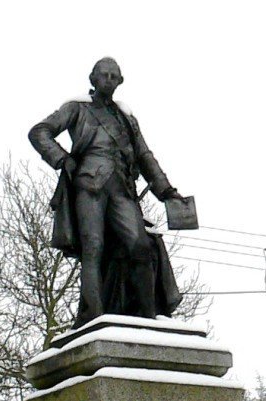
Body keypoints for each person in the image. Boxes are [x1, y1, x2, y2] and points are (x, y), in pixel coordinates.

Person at [29, 59, 185, 325]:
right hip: (89, 186)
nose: (109, 79)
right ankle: (93, 315)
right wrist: (62, 159)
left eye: (114, 76)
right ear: (93, 78)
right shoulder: (77, 108)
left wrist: (166, 191)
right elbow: (39, 132)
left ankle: (148, 318)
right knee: (93, 248)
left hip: (123, 189)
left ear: (120, 81)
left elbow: (145, 156)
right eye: (104, 75)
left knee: (140, 246)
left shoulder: (127, 118)